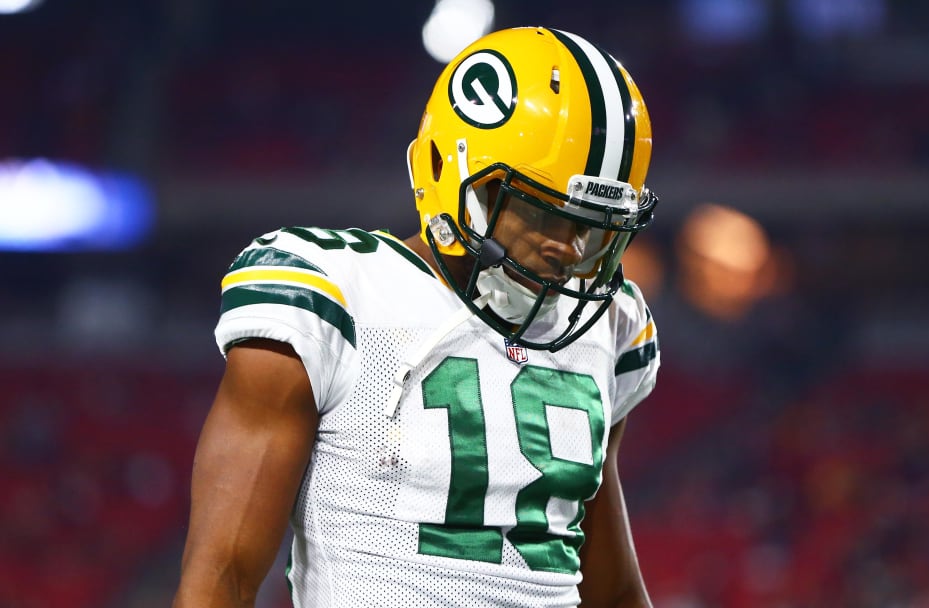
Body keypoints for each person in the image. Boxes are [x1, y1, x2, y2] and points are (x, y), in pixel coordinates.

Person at [173, 25, 661, 608]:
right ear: (448, 168)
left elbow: (612, 590)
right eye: (544, 214)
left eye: (594, 226)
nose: (571, 248)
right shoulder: (334, 295)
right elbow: (220, 578)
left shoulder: (612, 326)